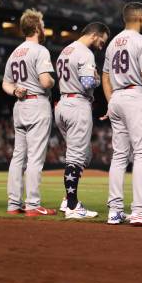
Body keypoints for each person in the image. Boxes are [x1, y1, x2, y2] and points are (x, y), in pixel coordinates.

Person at [102, 2, 142, 226]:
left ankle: (115, 210)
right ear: (139, 16)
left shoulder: (112, 44)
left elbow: (105, 77)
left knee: (119, 156)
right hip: (135, 96)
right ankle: (139, 210)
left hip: (117, 97)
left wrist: (111, 102)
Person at [3, 9, 56, 216]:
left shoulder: (15, 52)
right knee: (35, 158)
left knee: (18, 157)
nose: (43, 28)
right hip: (37, 103)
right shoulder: (40, 50)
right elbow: (45, 81)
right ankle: (33, 204)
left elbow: (6, 83)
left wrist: (16, 90)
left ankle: (13, 203)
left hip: (20, 105)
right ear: (36, 27)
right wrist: (52, 81)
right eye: (41, 25)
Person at [55, 22, 110, 219]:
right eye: (102, 39)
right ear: (94, 35)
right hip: (77, 104)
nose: (102, 44)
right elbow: (87, 83)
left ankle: (67, 199)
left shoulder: (66, 50)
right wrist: (96, 79)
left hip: (62, 103)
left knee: (84, 154)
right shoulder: (85, 53)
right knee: (77, 156)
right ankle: (72, 205)